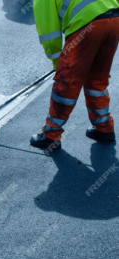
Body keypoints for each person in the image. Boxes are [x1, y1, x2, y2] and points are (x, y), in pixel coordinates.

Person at [31, 0, 119, 150]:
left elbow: (49, 33)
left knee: (66, 83)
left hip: (88, 25)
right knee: (97, 79)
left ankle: (51, 135)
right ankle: (104, 128)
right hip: (114, 19)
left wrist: (58, 62)